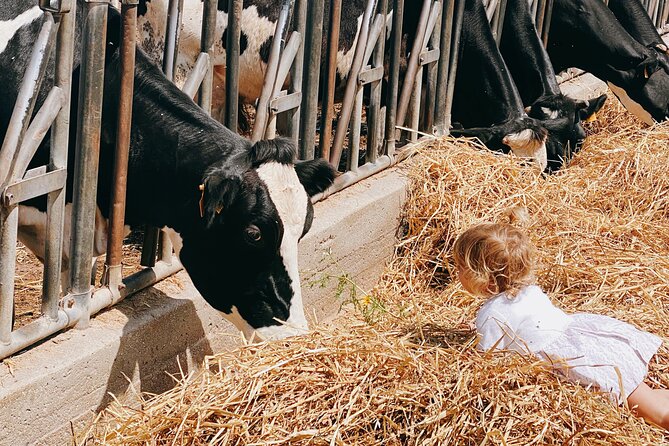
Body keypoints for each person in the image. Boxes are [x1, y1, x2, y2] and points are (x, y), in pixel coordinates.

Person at [452, 222, 668, 430]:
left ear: (480, 275)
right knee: (643, 393)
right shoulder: (529, 291)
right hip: (586, 340)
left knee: (653, 413)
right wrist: (476, 329)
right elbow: (521, 322)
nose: (456, 273)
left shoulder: (491, 314)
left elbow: (486, 360)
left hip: (574, 360)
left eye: (460, 267)